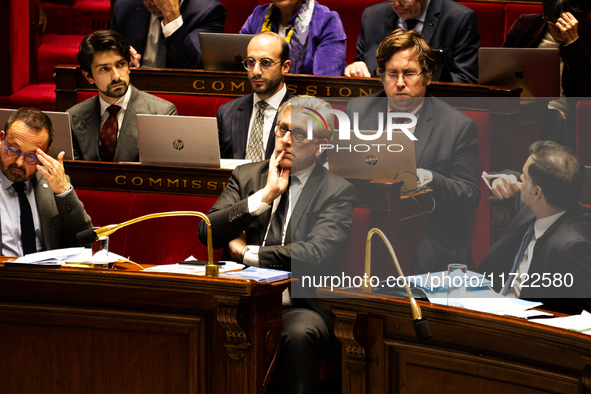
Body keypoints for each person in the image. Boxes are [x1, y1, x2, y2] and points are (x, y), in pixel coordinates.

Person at [198, 96, 356, 394]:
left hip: (296, 304)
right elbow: (206, 230)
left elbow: (314, 254)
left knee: (300, 333)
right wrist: (265, 197)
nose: (284, 140)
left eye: (298, 134)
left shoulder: (336, 191)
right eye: (282, 129)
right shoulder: (247, 176)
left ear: (321, 146)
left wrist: (246, 252)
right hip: (239, 298)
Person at [345, 30, 480, 274]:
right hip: (363, 219)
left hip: (428, 233)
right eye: (392, 74)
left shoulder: (457, 126)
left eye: (409, 74)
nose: (399, 83)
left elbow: (469, 195)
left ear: (427, 77)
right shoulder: (358, 110)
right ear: (381, 77)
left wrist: (427, 178)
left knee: (403, 253)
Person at [478, 141, 591, 314]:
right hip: (489, 301)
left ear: (536, 192)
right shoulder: (540, 207)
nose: (519, 180)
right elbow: (510, 176)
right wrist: (502, 178)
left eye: (523, 177)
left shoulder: (573, 247)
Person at [67, 31, 177, 162]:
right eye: (104, 69)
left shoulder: (161, 113)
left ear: (129, 66)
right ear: (88, 76)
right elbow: (73, 173)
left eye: (120, 65)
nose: (116, 76)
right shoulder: (73, 117)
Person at [0, 108, 93, 256]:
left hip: (45, 276)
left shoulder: (52, 183)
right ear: (1, 138)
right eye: (13, 150)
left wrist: (64, 192)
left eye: (31, 156)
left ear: (45, 153)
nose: (19, 162)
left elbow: (84, 241)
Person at [503, 0, 591, 149]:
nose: (557, 28)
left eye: (564, 23)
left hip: (569, 117)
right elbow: (502, 72)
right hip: (524, 108)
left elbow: (587, 90)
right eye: (552, 21)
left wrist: (573, 43)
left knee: (553, 119)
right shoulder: (525, 25)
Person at [344, 0, 480, 84]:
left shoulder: (459, 19)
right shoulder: (372, 16)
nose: (397, 4)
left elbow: (466, 80)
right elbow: (363, 63)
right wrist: (356, 67)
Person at [216, 32, 292, 161]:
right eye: (251, 62)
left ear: (285, 67)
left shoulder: (303, 114)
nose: (256, 71)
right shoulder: (227, 112)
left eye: (266, 63)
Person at [240, 0, 346, 76]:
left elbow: (324, 83)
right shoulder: (258, 16)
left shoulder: (327, 21)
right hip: (259, 97)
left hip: (304, 101)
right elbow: (238, 67)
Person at [110, 0, 226, 69]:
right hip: (134, 88)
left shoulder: (208, 11)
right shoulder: (125, 5)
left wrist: (171, 16)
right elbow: (106, 51)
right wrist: (120, 54)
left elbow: (192, 66)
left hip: (180, 91)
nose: (152, 2)